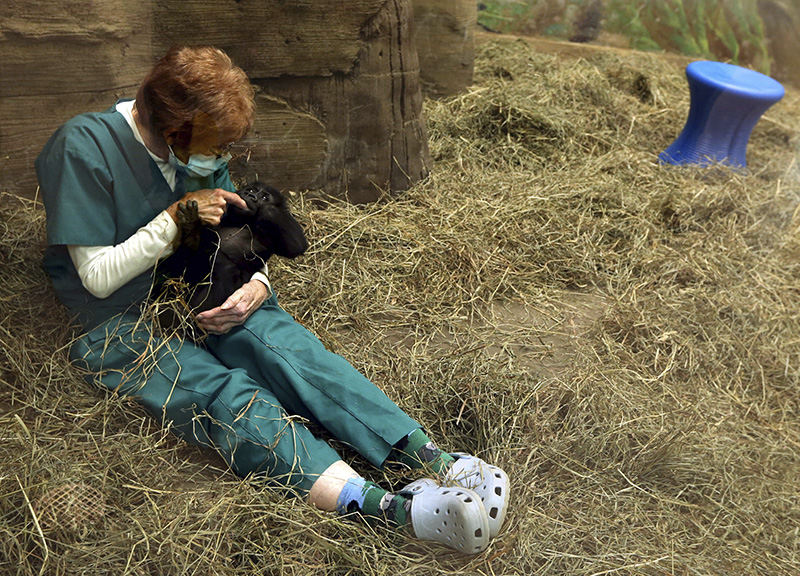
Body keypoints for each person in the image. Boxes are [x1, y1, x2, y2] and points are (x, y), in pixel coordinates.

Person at [36, 46, 509, 554]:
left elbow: (237, 235)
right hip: (119, 323)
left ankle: (424, 458)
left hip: (197, 293)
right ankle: (386, 509)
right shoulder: (83, 146)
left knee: (285, 347)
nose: (221, 160)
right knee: (222, 394)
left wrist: (257, 282)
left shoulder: (195, 145)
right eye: (216, 146)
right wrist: (178, 220)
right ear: (172, 127)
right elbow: (98, 279)